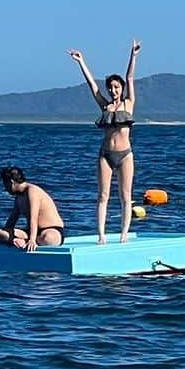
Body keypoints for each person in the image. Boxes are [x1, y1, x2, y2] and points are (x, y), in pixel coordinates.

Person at [68, 40, 140, 243]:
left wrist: (133, 56)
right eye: (111, 88)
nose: (113, 91)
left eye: (116, 88)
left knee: (126, 196)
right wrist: (81, 62)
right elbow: (93, 87)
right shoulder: (105, 106)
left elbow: (130, 77)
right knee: (103, 196)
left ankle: (124, 235)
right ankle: (101, 235)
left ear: (121, 88)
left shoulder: (129, 103)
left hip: (125, 155)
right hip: (106, 155)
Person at [0, 167, 66, 251]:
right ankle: (20, 241)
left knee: (48, 239)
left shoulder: (32, 191)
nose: (6, 189)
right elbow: (12, 220)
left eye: (6, 185)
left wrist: (32, 240)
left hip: (51, 230)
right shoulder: (18, 197)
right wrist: (6, 236)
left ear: (11, 182)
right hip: (30, 232)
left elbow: (33, 218)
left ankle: (26, 241)